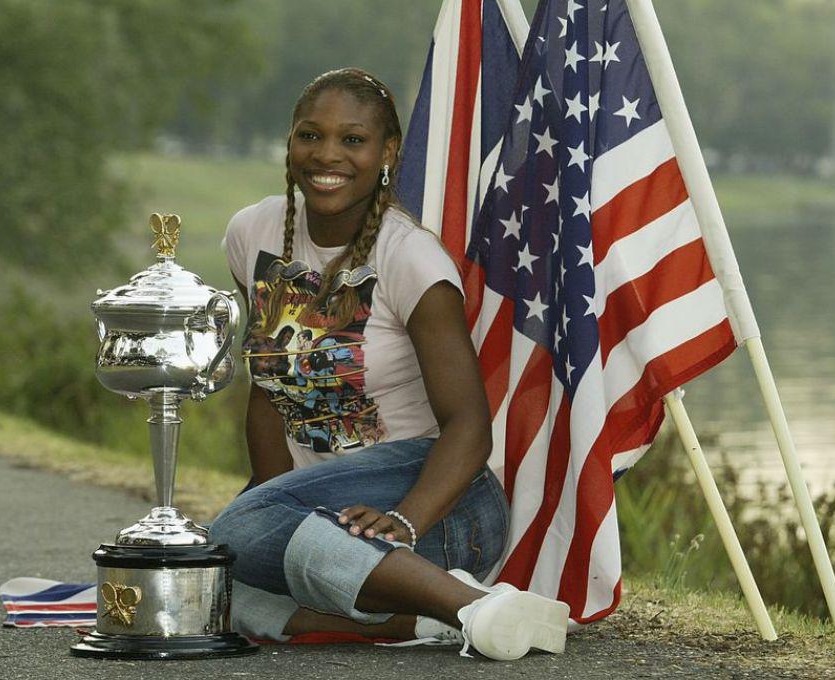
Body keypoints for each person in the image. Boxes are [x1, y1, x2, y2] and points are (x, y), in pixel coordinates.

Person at [212, 67, 570, 661]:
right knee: (210, 580)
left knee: (227, 539)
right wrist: (273, 513)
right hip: (324, 513)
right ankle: (418, 623)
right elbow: (268, 389)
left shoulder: (411, 260)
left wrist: (404, 521)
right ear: (290, 141)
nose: (328, 154)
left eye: (352, 140)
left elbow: (469, 428)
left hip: (437, 511)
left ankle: (467, 604)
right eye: (310, 135)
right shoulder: (252, 234)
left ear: (387, 152)